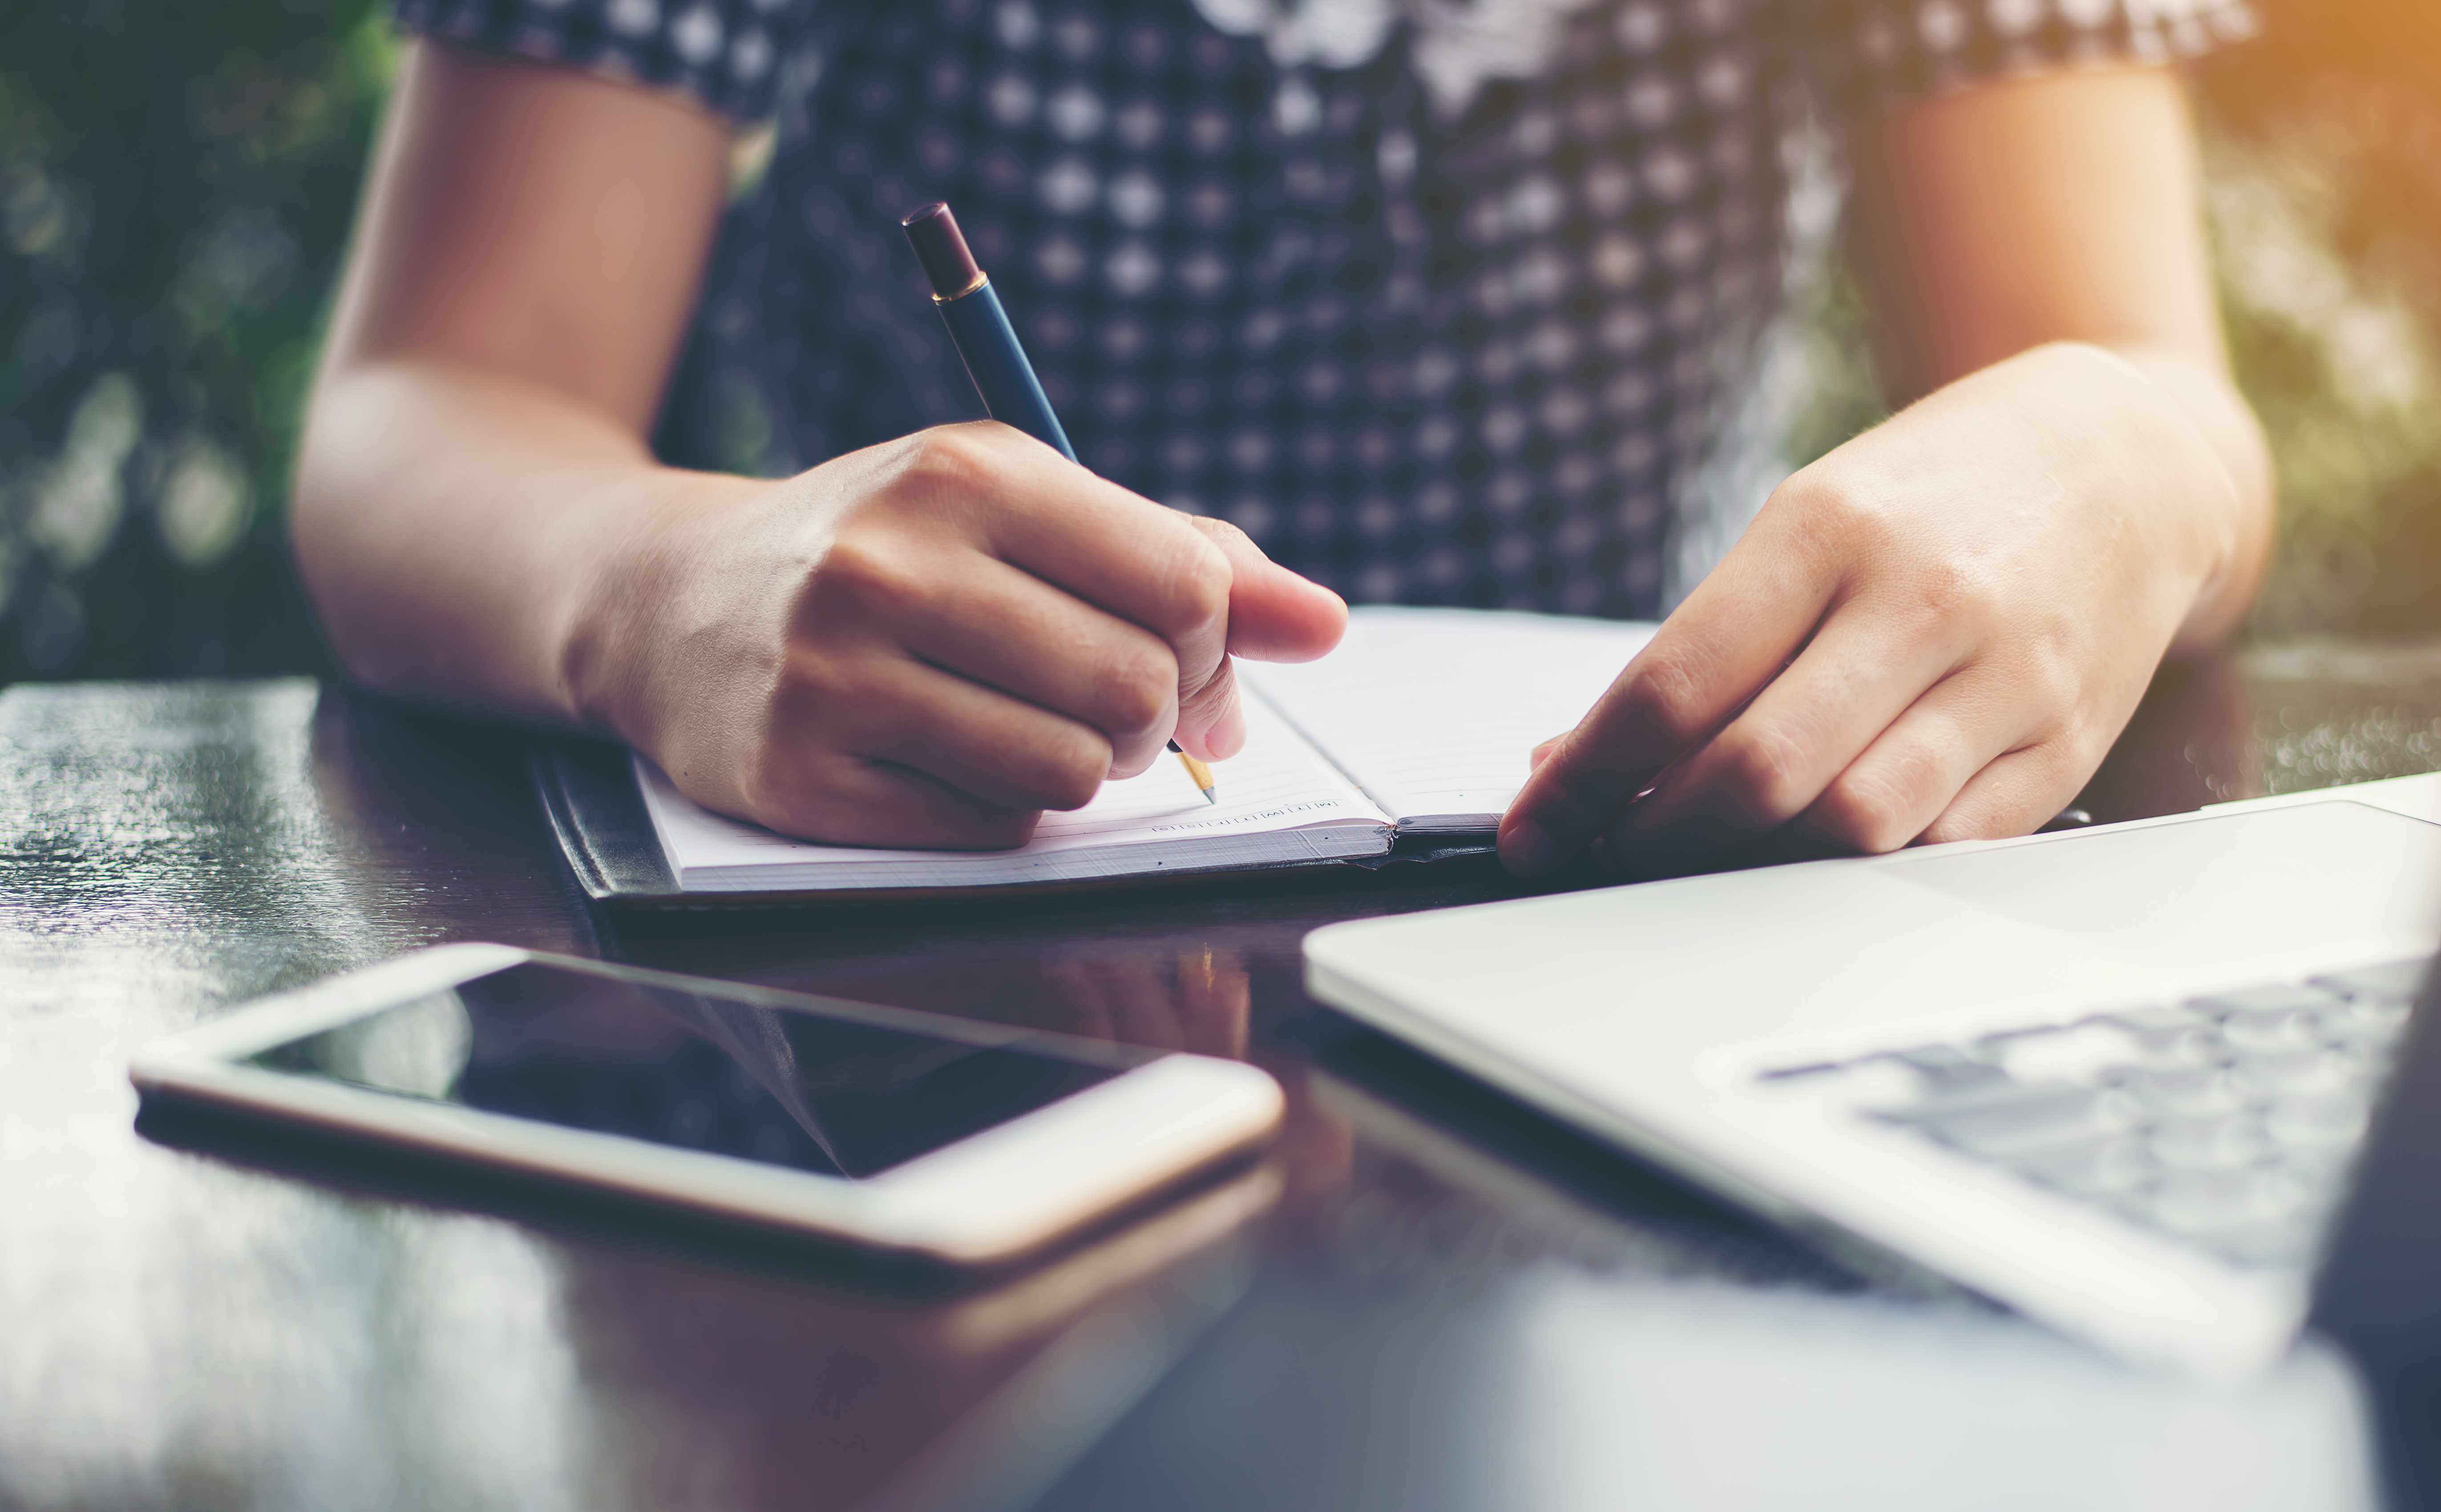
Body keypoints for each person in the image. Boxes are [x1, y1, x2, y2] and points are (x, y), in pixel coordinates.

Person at [293, 0, 2272, 876]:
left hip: (1623, 915)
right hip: (936, 972)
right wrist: (647, 583)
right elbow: (423, 418)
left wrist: (2131, 450)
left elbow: (2163, 397)